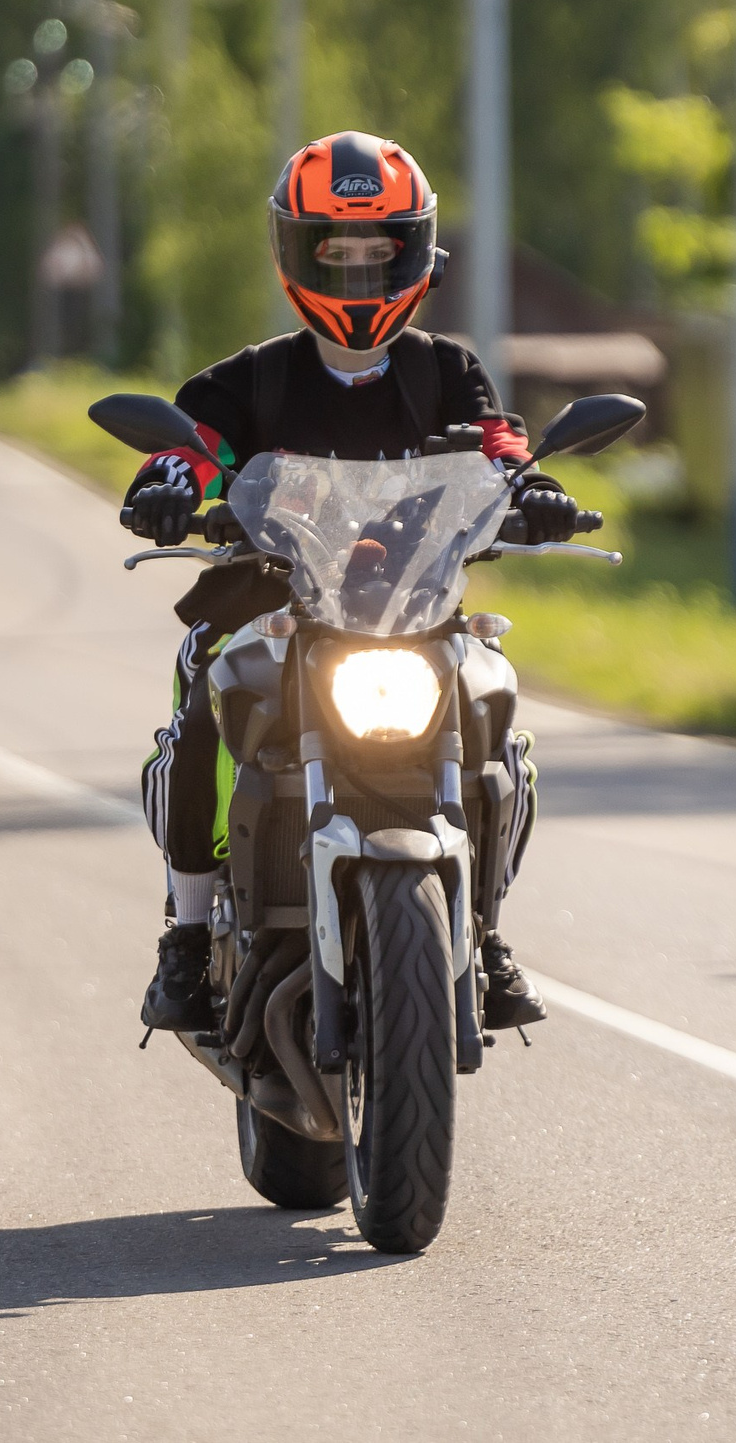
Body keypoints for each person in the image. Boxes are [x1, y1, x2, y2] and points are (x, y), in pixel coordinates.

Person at [124, 131, 578, 1035]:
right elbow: (195, 449)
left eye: (381, 252)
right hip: (275, 605)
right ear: (296, 253)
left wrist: (536, 489)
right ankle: (185, 929)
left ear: (417, 252)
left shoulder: (447, 372)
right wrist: (171, 483)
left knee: (494, 698)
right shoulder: (246, 380)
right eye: (339, 252)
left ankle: (484, 928)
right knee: (205, 694)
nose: (361, 274)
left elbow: (499, 449)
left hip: (409, 610)